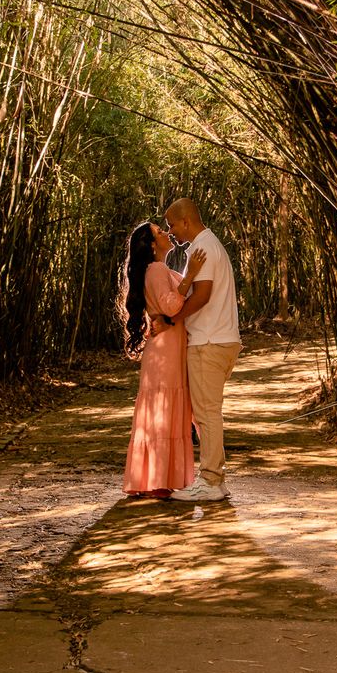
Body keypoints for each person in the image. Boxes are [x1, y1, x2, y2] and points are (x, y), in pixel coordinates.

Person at [155, 197, 241, 502]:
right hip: (220, 339)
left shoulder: (201, 248)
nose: (170, 232)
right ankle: (216, 479)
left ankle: (211, 480)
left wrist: (172, 319)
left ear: (186, 221)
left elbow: (202, 295)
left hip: (209, 341)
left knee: (207, 413)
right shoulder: (210, 244)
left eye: (172, 225)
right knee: (207, 411)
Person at [120, 221, 207, 497]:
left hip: (166, 347)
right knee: (164, 413)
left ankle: (154, 479)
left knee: (163, 411)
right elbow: (171, 304)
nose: (166, 233)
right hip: (165, 352)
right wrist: (192, 274)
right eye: (160, 232)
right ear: (152, 244)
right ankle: (159, 481)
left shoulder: (159, 270)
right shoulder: (156, 269)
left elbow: (173, 305)